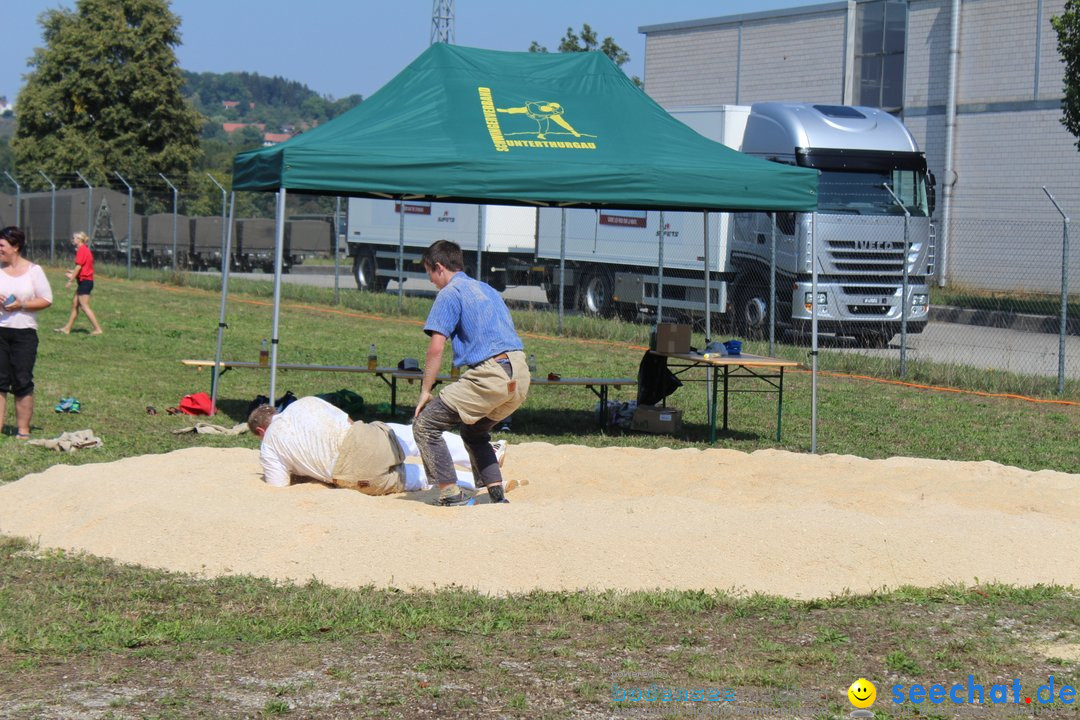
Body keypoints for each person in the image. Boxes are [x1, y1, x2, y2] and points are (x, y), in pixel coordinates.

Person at [413, 239, 530, 506]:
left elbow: (436, 347)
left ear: (439, 267)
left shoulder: (450, 292)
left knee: (425, 425)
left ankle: (449, 492)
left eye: (429, 272)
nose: (431, 280)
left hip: (491, 374)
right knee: (474, 431)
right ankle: (496, 492)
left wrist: (426, 392)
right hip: (520, 374)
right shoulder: (486, 289)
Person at [247, 395, 507, 494]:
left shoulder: (268, 447)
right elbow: (347, 421)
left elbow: (278, 487)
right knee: (417, 437)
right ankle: (487, 457)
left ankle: (474, 482)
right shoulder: (303, 403)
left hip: (348, 477)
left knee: (419, 477)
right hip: (360, 441)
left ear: (261, 431)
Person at [0, 226, 54, 439]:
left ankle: (23, 430)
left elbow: (46, 299)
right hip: (0, 331)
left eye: (2, 245)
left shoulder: (34, 271)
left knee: (22, 380)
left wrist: (21, 305)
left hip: (24, 334)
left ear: (16, 247)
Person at [55, 231, 103, 335]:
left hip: (85, 282)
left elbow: (79, 266)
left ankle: (98, 329)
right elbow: (85, 268)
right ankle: (67, 329)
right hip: (85, 281)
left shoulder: (81, 250)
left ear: (79, 240)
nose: (73, 240)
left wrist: (71, 279)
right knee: (75, 304)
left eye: (74, 238)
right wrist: (73, 273)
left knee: (84, 306)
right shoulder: (85, 250)